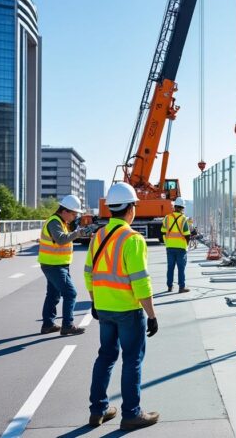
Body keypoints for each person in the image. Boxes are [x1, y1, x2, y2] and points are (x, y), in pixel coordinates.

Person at [86, 182, 159, 431]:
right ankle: (131, 414)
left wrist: (95, 301)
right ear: (130, 209)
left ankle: (98, 410)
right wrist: (152, 315)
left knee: (105, 356)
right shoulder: (133, 239)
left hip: (104, 308)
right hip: (128, 309)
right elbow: (141, 282)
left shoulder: (98, 235)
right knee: (132, 360)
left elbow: (89, 273)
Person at [38, 195, 91, 335]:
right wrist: (77, 233)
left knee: (53, 295)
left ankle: (48, 325)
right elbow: (61, 240)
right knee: (70, 293)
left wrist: (77, 233)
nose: (74, 217)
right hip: (54, 265)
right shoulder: (54, 222)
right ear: (65, 211)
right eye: (74, 214)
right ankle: (67, 325)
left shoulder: (61, 222)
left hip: (56, 264)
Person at [161, 198, 191, 293]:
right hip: (181, 248)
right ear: (182, 208)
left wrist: (167, 242)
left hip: (170, 247)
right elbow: (187, 234)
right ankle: (181, 287)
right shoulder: (183, 219)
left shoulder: (167, 218)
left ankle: (170, 286)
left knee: (170, 267)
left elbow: (162, 231)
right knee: (181, 268)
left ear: (174, 207)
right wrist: (187, 245)